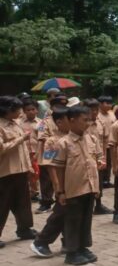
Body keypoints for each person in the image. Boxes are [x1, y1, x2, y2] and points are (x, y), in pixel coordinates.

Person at [50, 105, 101, 266]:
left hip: (89, 187)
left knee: (86, 220)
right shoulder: (63, 143)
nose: (88, 123)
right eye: (84, 120)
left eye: (89, 120)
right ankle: (71, 252)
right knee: (73, 220)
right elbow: (59, 168)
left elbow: (94, 161)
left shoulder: (91, 139)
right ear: (72, 121)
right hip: (73, 189)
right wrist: (60, 191)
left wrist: (96, 186)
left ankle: (82, 247)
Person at [29, 109, 70, 257]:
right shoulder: (52, 141)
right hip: (62, 184)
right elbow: (50, 165)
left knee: (69, 213)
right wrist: (57, 186)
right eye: (70, 119)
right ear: (59, 122)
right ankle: (41, 242)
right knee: (60, 213)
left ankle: (68, 241)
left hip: (73, 182)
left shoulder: (73, 137)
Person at [0, 96, 37, 249]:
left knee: (23, 202)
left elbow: (24, 149)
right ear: (7, 110)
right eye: (17, 109)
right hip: (5, 172)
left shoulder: (15, 123)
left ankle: (24, 229)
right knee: (2, 204)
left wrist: (29, 167)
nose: (20, 112)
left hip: (20, 170)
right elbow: (1, 148)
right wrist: (21, 139)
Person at [84, 98, 113, 214]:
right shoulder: (82, 124)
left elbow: (104, 141)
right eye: (91, 110)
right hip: (86, 158)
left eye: (96, 110)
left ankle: (99, 205)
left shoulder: (100, 123)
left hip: (98, 157)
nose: (94, 112)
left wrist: (103, 158)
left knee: (98, 182)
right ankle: (87, 206)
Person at [19, 98, 41, 201]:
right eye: (28, 110)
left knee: (36, 172)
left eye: (33, 109)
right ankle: (31, 191)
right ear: (24, 111)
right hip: (24, 151)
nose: (31, 111)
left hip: (37, 151)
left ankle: (35, 191)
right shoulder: (19, 123)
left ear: (37, 110)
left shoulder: (41, 123)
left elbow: (42, 138)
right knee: (26, 172)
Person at [97, 95, 116, 190]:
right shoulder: (97, 116)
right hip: (100, 144)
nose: (109, 105)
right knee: (101, 162)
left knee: (109, 163)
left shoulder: (111, 114)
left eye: (110, 103)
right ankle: (100, 181)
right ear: (100, 104)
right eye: (107, 103)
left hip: (111, 143)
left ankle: (106, 180)